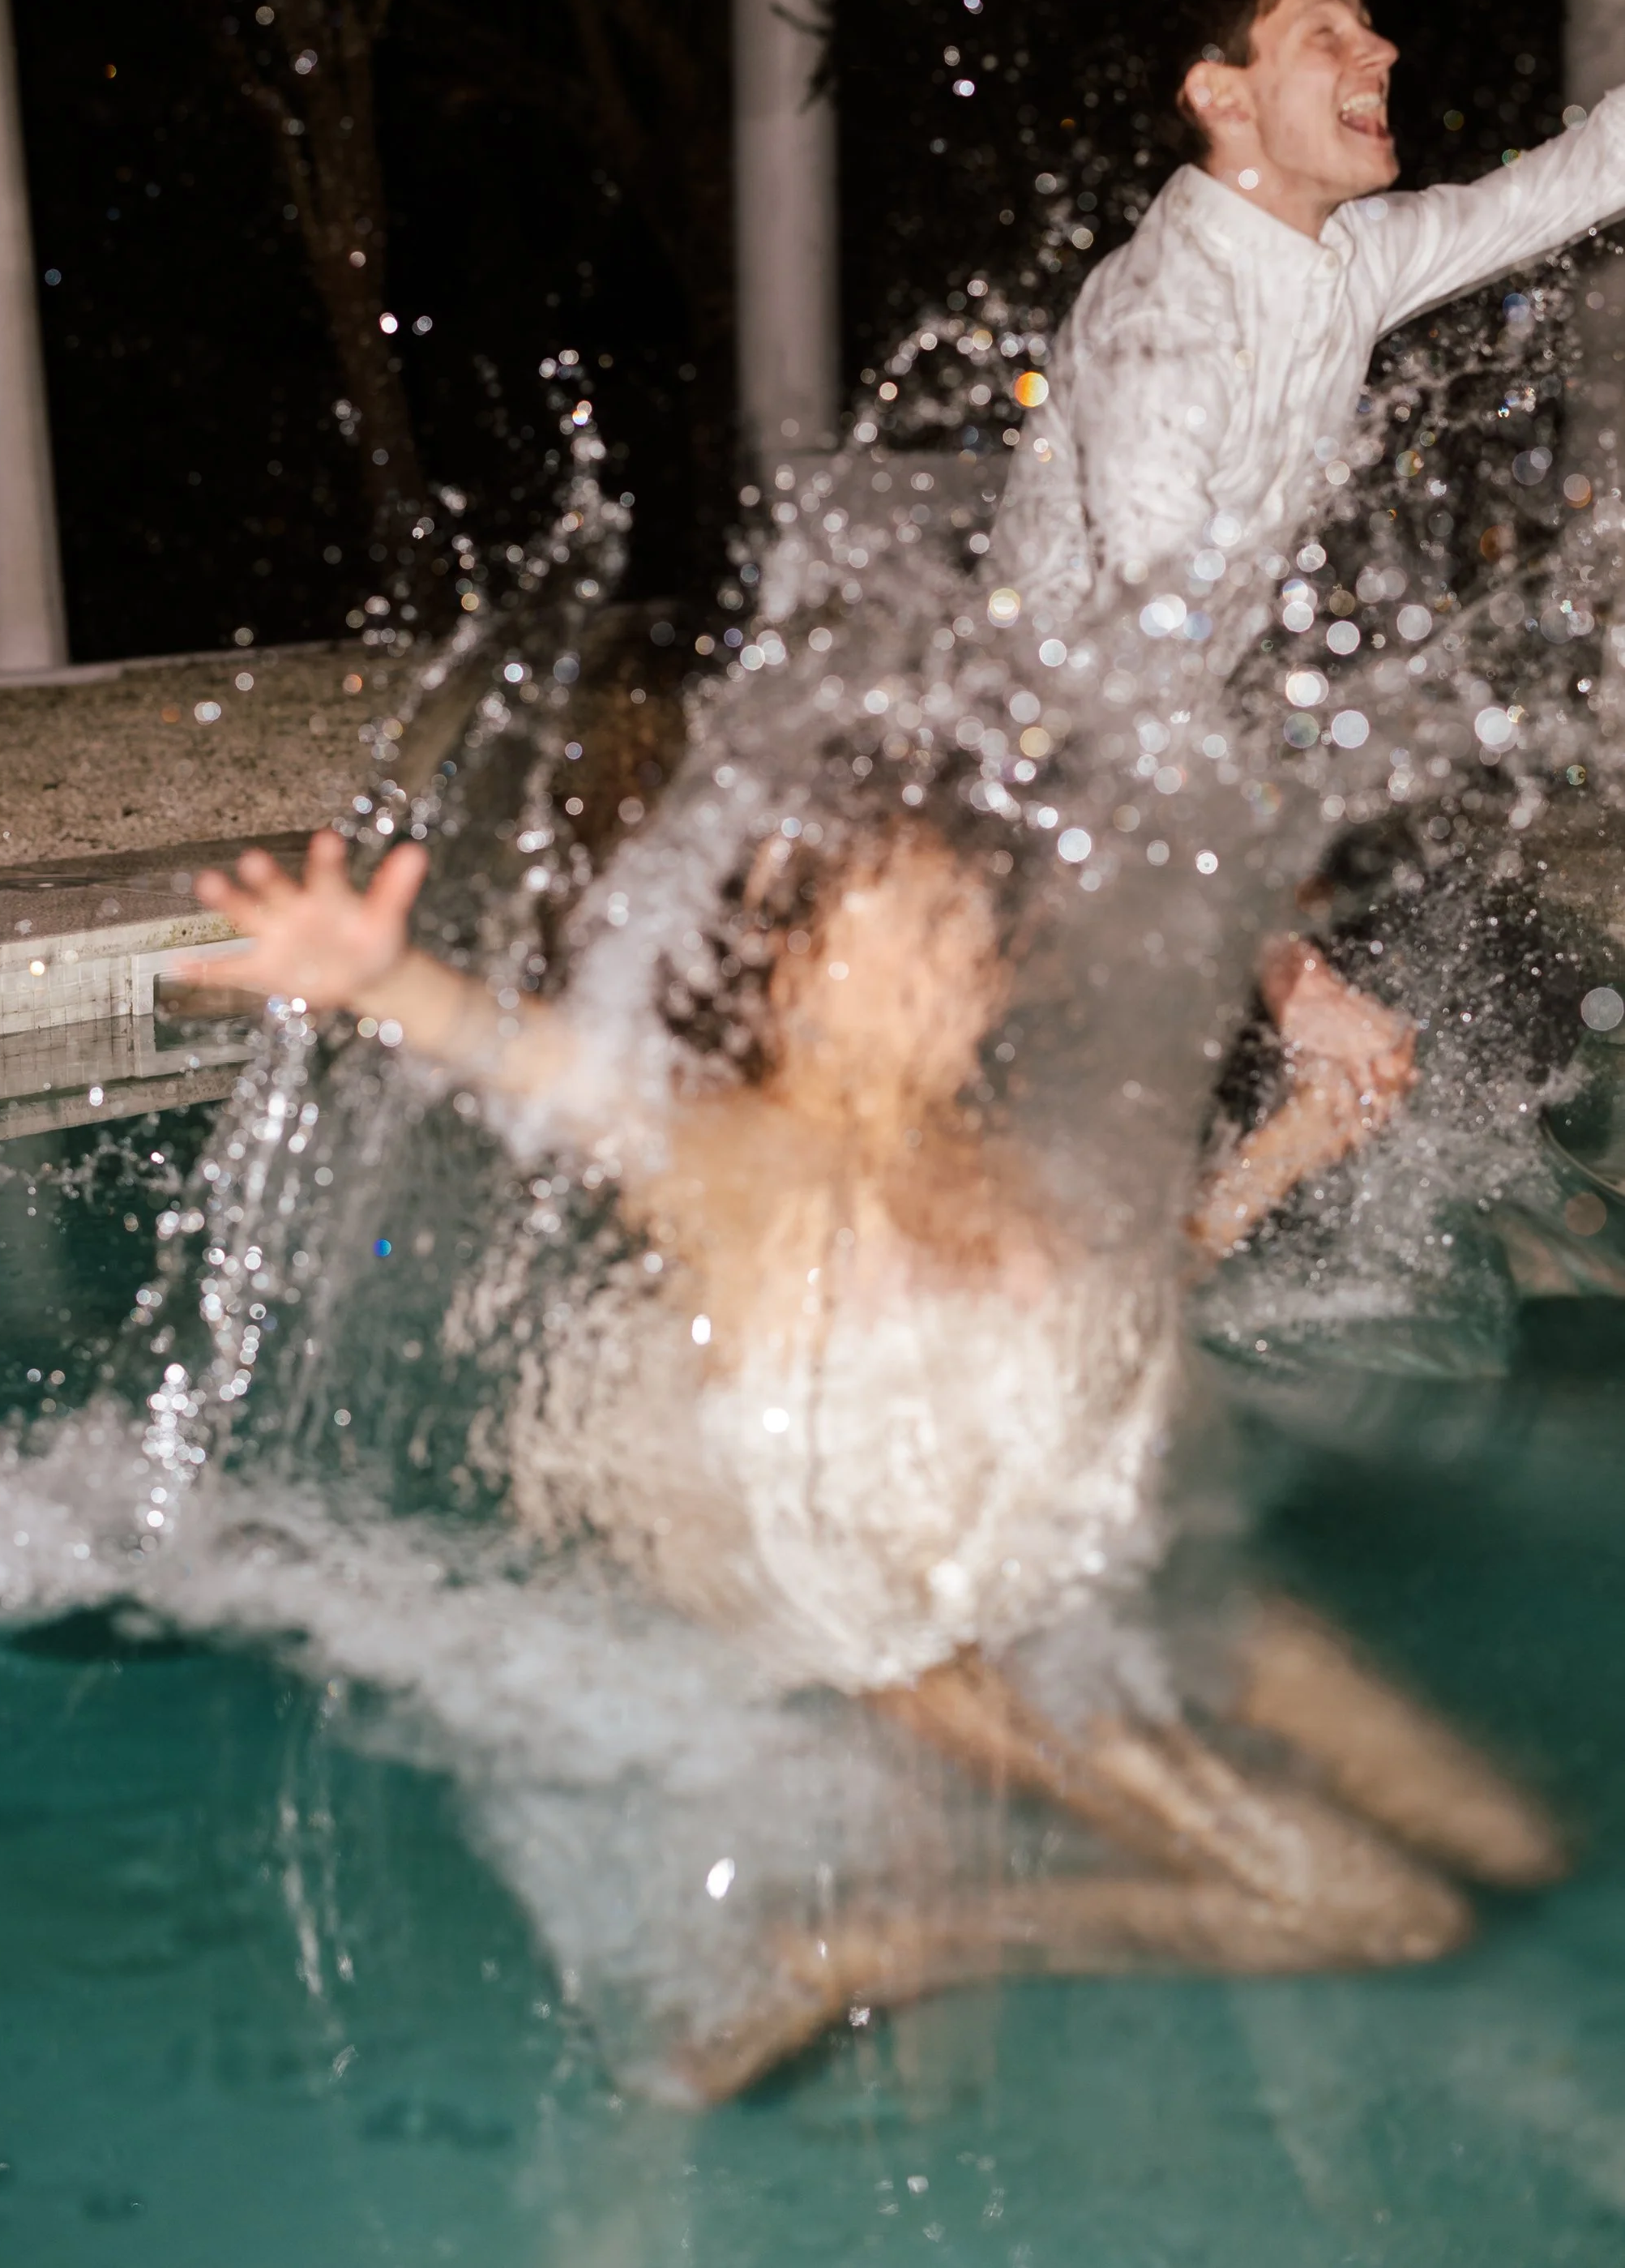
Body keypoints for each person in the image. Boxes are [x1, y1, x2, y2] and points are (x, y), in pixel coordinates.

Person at [182, 821, 1562, 2099]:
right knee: (1385, 1912)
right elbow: (567, 1075)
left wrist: (1295, 1140)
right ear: (790, 973)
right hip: (945, 1638)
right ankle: (886, 1942)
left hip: (1091, 1565)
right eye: (899, 935)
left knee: (1513, 1838)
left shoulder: (985, 1156)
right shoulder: (742, 1156)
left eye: (964, 939)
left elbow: (1134, 1296)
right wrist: (389, 980)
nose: (944, 974)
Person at [993, 0, 1625, 635]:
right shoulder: (1164, 327)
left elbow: (1564, 187)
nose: (1382, 50)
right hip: (1040, 730)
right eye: (1327, 34)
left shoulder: (1351, 248)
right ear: (1223, 96)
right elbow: (1135, 655)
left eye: (1367, 28)